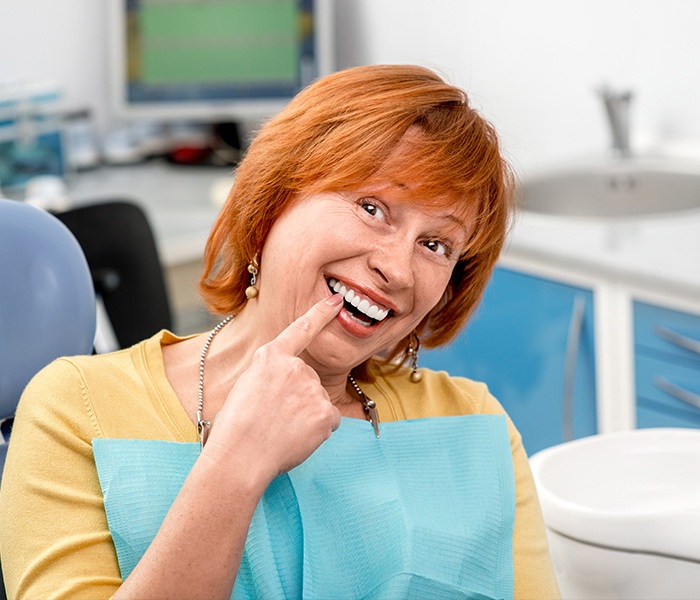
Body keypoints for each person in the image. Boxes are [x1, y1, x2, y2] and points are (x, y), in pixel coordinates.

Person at [0, 64, 560, 599]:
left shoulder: (475, 426)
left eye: (436, 245)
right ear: (272, 205)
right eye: (372, 207)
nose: (398, 268)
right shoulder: (73, 408)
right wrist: (236, 464)